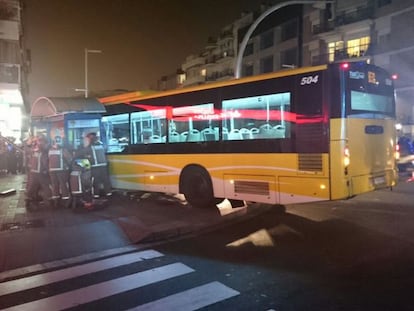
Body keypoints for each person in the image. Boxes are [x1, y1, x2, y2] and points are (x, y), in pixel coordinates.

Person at [76, 132, 112, 198]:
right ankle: (108, 193)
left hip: (95, 166)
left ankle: (96, 195)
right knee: (105, 180)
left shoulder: (89, 147)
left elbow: (79, 154)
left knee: (96, 181)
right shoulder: (101, 144)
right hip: (103, 165)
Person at [25, 134, 52, 210]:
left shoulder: (35, 151)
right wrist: (47, 170)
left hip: (34, 172)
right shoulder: (42, 152)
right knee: (45, 186)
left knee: (32, 187)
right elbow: (45, 162)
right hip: (39, 172)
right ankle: (49, 200)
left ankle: (29, 199)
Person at [48, 136, 72, 208]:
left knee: (55, 185)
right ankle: (65, 201)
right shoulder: (63, 150)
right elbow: (70, 159)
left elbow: (47, 159)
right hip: (62, 171)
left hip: (52, 170)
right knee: (63, 185)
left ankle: (56, 201)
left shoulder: (50, 150)